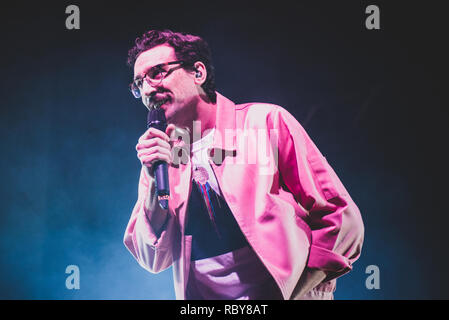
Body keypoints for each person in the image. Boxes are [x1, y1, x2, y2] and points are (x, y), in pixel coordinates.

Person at [123, 29, 364, 300]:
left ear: (198, 73)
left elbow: (340, 217)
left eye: (157, 72)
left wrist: (301, 290)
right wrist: (155, 182)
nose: (147, 89)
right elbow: (151, 257)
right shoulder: (160, 157)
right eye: (138, 84)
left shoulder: (265, 123)